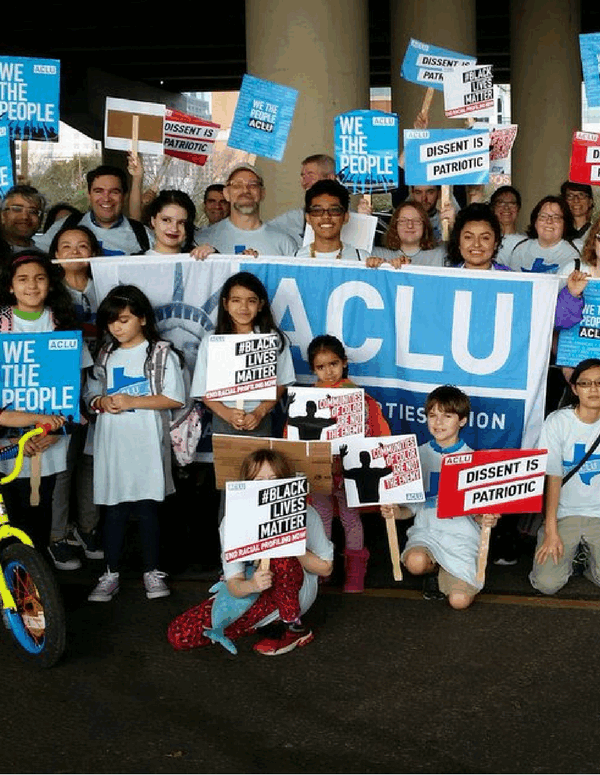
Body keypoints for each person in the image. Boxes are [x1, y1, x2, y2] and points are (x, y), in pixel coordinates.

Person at [167, 448, 333, 655]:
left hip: (296, 592)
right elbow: (234, 584)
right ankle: (255, 624)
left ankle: (293, 627)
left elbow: (326, 569)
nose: (266, 486)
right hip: (253, 591)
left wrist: (289, 541)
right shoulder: (232, 522)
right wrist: (252, 585)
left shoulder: (306, 513)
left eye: (274, 479)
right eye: (258, 480)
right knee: (179, 634)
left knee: (280, 553)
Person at [85, 285, 185, 602]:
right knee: (113, 510)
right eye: (112, 321)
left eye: (125, 319)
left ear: (142, 318)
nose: (117, 327)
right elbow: (89, 398)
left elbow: (174, 397)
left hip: (147, 446)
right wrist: (100, 400)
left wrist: (132, 400)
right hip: (111, 445)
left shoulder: (161, 353)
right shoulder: (104, 353)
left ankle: (152, 572)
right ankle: (110, 573)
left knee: (147, 509)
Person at [381, 385, 498, 608]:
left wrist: (486, 519)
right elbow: (410, 509)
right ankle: (434, 570)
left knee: (459, 602)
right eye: (432, 415)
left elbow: (479, 517)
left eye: (447, 416)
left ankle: (454, 572)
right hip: (428, 534)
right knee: (415, 563)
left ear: (462, 421)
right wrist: (394, 512)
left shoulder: (475, 461)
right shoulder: (417, 455)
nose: (438, 422)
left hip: (461, 540)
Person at [0, 251, 85, 552]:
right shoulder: (0, 325)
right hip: (5, 444)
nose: (32, 286)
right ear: (10, 286)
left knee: (40, 517)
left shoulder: (62, 324)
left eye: (39, 278)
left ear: (50, 284)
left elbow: (76, 388)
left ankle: (39, 588)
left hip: (49, 442)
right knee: (10, 520)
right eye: (22, 279)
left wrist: (54, 433)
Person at [303, 335, 390, 592]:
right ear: (312, 369)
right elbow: (294, 437)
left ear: (344, 363)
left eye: (333, 364)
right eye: (321, 367)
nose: (328, 371)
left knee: (351, 519)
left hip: (350, 470)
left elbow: (376, 433)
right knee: (321, 518)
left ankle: (355, 572)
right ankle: (322, 570)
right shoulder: (306, 399)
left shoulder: (359, 397)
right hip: (318, 470)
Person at [47, 225, 102, 570]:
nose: (75, 251)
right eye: (65, 246)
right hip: (64, 386)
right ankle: (57, 535)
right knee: (63, 465)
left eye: (83, 245)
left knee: (91, 462)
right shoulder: (49, 292)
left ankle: (88, 527)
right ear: (54, 252)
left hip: (102, 384)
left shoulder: (106, 285)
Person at [191, 271, 295, 438]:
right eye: (236, 300)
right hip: (222, 419)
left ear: (260, 305)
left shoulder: (273, 338)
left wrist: (259, 413)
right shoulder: (211, 340)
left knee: (261, 464)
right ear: (225, 304)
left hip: (260, 418)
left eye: (251, 301)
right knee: (228, 463)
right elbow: (203, 389)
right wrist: (226, 413)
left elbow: (282, 381)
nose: (243, 308)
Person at [530, 358, 600, 595]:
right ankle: (572, 555)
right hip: (564, 513)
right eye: (586, 383)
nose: (594, 389)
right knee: (547, 584)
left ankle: (587, 564)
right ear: (574, 388)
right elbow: (553, 477)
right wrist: (551, 530)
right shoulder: (558, 421)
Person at [37, 165, 152, 256]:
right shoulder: (67, 225)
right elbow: (33, 255)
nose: (106, 198)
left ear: (124, 196)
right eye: (98, 191)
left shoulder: (143, 235)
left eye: (114, 192)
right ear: (89, 195)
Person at [199, 164, 298, 257]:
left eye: (253, 185)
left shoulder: (285, 243)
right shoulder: (203, 240)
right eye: (237, 185)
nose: (245, 190)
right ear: (226, 193)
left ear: (262, 193)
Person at [295, 179, 382, 265]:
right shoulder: (294, 260)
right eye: (317, 210)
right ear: (308, 218)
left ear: (346, 217)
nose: (326, 216)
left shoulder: (362, 259)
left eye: (334, 210)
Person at [268, 154, 337, 245]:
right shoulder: (294, 218)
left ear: (330, 178)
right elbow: (262, 231)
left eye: (310, 174)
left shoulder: (352, 219)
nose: (304, 181)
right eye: (303, 176)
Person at [507, 195, 579, 273]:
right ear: (535, 222)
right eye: (543, 216)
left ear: (565, 224)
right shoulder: (520, 249)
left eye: (556, 217)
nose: (549, 221)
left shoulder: (572, 254)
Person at [372, 200, 445, 267]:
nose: (410, 225)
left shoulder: (440, 255)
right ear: (395, 225)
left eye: (416, 221)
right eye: (403, 221)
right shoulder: (377, 255)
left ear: (425, 225)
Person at [145, 189, 196, 255]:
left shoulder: (195, 262)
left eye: (181, 222)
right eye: (166, 220)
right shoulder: (133, 261)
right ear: (153, 221)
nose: (174, 229)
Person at [1, 185, 45, 251]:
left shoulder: (43, 257)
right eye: (17, 209)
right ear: (2, 215)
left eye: (33, 211)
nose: (25, 217)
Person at [490, 185, 526, 265]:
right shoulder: (486, 240)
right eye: (501, 203)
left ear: (518, 208)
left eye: (512, 203)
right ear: (493, 208)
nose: (506, 207)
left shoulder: (527, 242)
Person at [561, 180, 594, 248]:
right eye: (570, 196)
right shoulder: (557, 230)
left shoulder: (596, 232)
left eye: (581, 195)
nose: (576, 200)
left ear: (590, 201)